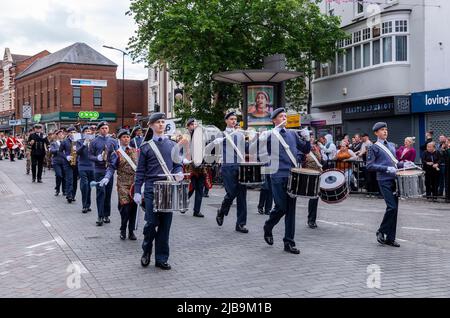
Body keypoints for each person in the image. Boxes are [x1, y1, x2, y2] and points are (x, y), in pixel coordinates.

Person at [133, 112, 183, 270]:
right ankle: (146, 250)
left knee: (165, 226)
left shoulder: (172, 145)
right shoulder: (146, 147)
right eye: (158, 122)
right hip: (151, 189)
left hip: (168, 189)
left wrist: (179, 172)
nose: (161, 124)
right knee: (152, 223)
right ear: (151, 125)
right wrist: (137, 191)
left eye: (163, 122)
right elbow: (140, 171)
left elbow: (177, 165)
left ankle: (161, 258)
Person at [262, 108, 311, 254]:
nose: (284, 118)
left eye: (285, 116)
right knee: (281, 207)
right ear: (274, 120)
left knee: (290, 210)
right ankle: (268, 226)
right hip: (277, 175)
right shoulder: (270, 135)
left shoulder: (292, 134)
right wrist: (265, 135)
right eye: (281, 116)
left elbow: (306, 150)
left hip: (292, 175)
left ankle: (289, 242)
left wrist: (307, 138)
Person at [367, 122, 414, 247]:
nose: (385, 132)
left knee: (395, 209)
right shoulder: (373, 147)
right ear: (376, 133)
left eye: (386, 129)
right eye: (382, 130)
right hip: (383, 179)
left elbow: (395, 163)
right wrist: (386, 169)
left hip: (394, 179)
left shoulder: (392, 145)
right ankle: (381, 231)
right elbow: (369, 165)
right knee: (391, 207)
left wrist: (404, 165)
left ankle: (390, 238)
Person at [214, 111, 249, 233]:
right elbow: (214, 148)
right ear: (226, 121)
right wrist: (215, 142)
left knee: (242, 195)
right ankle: (222, 211)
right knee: (231, 193)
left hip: (240, 165)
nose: (234, 121)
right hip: (228, 166)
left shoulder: (240, 135)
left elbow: (246, 149)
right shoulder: (221, 134)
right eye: (231, 119)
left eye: (235, 119)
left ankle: (240, 224)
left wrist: (254, 140)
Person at [102, 129, 139, 240]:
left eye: (128, 137)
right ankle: (123, 228)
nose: (126, 139)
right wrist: (107, 177)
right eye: (124, 137)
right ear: (119, 139)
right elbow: (111, 167)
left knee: (134, 207)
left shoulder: (137, 151)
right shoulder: (116, 153)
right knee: (125, 208)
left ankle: (131, 231)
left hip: (135, 183)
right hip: (122, 184)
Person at [89, 121, 118, 226]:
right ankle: (100, 216)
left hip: (109, 170)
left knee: (108, 193)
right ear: (99, 130)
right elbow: (90, 156)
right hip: (99, 170)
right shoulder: (94, 141)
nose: (105, 130)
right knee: (101, 193)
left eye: (106, 128)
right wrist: (97, 158)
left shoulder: (113, 141)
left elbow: (117, 155)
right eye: (102, 128)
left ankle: (106, 215)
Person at [184, 118, 205, 217]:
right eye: (192, 124)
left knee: (200, 189)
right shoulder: (185, 137)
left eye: (195, 124)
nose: (194, 126)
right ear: (188, 126)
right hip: (190, 167)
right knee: (191, 188)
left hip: (200, 166)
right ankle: (183, 204)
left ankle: (197, 211)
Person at [304, 134, 323, 229]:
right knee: (313, 197)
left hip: (318, 174)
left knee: (315, 198)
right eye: (310, 137)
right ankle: (311, 220)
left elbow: (321, 160)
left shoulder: (316, 148)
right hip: (309, 175)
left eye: (312, 137)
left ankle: (312, 219)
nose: (311, 138)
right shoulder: (304, 149)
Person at [77, 126, 95, 213]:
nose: (88, 132)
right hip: (82, 166)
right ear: (83, 133)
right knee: (84, 185)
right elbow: (78, 152)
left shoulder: (93, 141)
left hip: (91, 166)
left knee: (89, 186)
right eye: (86, 131)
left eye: (89, 131)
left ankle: (88, 205)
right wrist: (84, 144)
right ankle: (84, 205)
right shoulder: (79, 141)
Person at [49, 130, 66, 196]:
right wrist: (59, 149)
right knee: (59, 175)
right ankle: (57, 189)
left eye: (62, 134)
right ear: (57, 135)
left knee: (64, 176)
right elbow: (52, 150)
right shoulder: (54, 143)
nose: (61, 135)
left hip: (64, 161)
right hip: (56, 162)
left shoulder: (65, 142)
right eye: (59, 134)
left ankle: (64, 190)